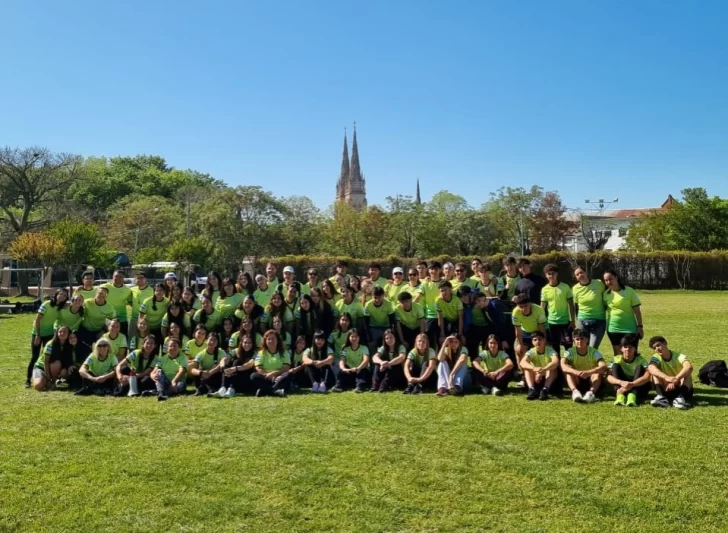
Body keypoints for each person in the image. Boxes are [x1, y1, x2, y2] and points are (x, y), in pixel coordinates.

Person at [26, 288, 68, 388]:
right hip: (38, 333)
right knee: (35, 357)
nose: (62, 297)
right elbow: (37, 320)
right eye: (60, 294)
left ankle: (47, 378)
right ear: (56, 294)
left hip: (49, 334)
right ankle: (28, 379)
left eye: (64, 296)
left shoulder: (60, 308)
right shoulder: (46, 304)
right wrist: (37, 335)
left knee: (47, 357)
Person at [603, 270, 644, 356]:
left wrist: (640, 326)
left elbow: (637, 310)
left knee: (631, 355)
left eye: (610, 279)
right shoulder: (605, 294)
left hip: (630, 329)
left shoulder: (629, 291)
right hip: (613, 329)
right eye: (606, 280)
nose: (608, 282)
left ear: (616, 277)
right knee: (618, 355)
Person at [561, 329, 607, 403]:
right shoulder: (569, 351)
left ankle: (591, 393)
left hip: (590, 379)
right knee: (569, 372)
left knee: (597, 374)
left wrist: (589, 372)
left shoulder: (594, 352)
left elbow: (603, 366)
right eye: (577, 339)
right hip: (577, 379)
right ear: (574, 340)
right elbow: (563, 365)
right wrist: (576, 372)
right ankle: (575, 392)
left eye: (582, 339)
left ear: (587, 340)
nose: (580, 341)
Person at [648, 336, 693, 409]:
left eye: (658, 345)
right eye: (654, 348)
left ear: (665, 343)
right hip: (666, 388)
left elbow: (689, 367)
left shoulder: (678, 356)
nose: (657, 349)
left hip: (680, 387)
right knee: (654, 373)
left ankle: (680, 399)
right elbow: (650, 368)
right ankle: (661, 398)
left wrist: (676, 379)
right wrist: (667, 378)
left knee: (687, 374)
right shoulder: (656, 357)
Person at [607, 334, 651, 407]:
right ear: (621, 349)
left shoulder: (641, 360)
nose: (628, 349)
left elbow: (647, 376)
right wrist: (621, 382)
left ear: (635, 349)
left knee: (639, 367)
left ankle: (632, 396)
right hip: (622, 385)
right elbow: (608, 376)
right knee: (615, 366)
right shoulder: (616, 359)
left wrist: (632, 384)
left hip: (637, 386)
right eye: (625, 347)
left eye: (630, 347)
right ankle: (620, 396)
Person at [540, 263, 575, 355]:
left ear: (557, 274)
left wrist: (573, 321)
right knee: (555, 347)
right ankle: (558, 368)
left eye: (553, 273)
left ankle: (568, 367)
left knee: (568, 347)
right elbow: (542, 307)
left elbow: (571, 305)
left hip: (565, 322)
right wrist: (540, 321)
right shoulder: (544, 289)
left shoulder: (565, 287)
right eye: (549, 274)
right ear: (546, 275)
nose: (551, 276)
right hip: (552, 323)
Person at [32, 325, 76, 391]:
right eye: (60, 332)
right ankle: (46, 380)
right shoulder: (50, 344)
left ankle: (54, 382)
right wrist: (48, 378)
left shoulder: (69, 345)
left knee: (59, 365)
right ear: (56, 333)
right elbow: (46, 362)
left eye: (65, 332)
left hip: (55, 366)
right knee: (39, 386)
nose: (62, 333)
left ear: (68, 334)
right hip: (42, 367)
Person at [77, 287, 116, 362]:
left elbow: (113, 320)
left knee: (102, 350)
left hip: (99, 331)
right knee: (85, 351)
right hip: (85, 330)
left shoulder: (109, 307)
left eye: (104, 294)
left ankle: (100, 365)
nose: (102, 295)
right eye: (100, 293)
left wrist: (104, 330)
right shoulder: (87, 302)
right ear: (96, 293)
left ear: (106, 296)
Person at [572, 266, 607, 348]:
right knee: (581, 347)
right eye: (577, 274)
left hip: (599, 321)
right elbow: (576, 306)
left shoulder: (599, 283)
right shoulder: (575, 289)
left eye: (581, 272)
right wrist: (578, 319)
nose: (580, 275)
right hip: (582, 321)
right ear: (576, 278)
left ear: (586, 273)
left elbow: (607, 296)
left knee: (592, 348)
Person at [250, 330, 291, 398]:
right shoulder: (261, 353)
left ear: (277, 340)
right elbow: (258, 368)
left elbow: (286, 367)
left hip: (279, 378)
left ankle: (265, 391)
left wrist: (275, 373)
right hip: (266, 378)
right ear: (265, 341)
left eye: (273, 339)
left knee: (288, 375)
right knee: (253, 376)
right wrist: (268, 376)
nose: (271, 341)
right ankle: (275, 391)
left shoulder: (284, 352)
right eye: (269, 339)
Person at [215, 333, 257, 397]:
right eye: (245, 342)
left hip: (246, 378)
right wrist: (224, 368)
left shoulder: (255, 353)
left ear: (252, 344)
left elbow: (249, 364)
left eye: (249, 343)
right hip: (235, 376)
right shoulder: (236, 351)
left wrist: (235, 369)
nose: (247, 344)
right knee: (227, 363)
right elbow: (224, 359)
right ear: (241, 343)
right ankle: (223, 388)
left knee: (236, 362)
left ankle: (232, 388)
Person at [521, 331, 559, 401]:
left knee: (552, 368)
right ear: (532, 342)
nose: (537, 341)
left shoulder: (550, 350)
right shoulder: (531, 351)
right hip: (535, 377)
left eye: (540, 339)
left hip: (548, 377)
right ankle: (531, 389)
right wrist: (534, 368)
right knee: (527, 368)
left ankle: (545, 390)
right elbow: (522, 362)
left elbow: (555, 362)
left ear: (544, 340)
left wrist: (544, 370)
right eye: (535, 340)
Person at [511, 294, 547, 364]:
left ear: (530, 304)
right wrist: (521, 345)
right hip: (524, 333)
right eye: (521, 307)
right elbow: (518, 331)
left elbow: (542, 328)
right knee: (519, 350)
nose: (524, 309)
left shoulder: (539, 310)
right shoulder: (515, 312)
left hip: (537, 332)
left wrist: (544, 341)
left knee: (543, 349)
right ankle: (522, 372)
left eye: (526, 306)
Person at [364, 286, 396, 352]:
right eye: (375, 297)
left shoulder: (388, 304)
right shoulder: (368, 305)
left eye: (380, 297)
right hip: (373, 327)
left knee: (387, 344)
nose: (377, 300)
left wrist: (390, 331)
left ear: (383, 296)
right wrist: (369, 337)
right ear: (372, 296)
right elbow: (366, 322)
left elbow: (392, 320)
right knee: (372, 345)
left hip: (386, 327)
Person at [101, 271, 132, 336]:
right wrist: (80, 287)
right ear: (112, 277)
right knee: (107, 341)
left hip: (122, 319)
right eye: (116, 276)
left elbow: (131, 302)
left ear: (124, 278)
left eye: (120, 277)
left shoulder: (127, 290)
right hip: (107, 319)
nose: (118, 278)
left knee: (123, 340)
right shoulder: (105, 287)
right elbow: (92, 289)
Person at [465, 291, 495, 359]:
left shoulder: (488, 307)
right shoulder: (470, 307)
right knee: (473, 348)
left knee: (486, 347)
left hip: (486, 328)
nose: (481, 302)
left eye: (483, 300)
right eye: (478, 300)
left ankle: (487, 364)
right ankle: (474, 365)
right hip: (474, 327)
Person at [421, 262, 443, 349]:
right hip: (429, 316)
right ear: (428, 270)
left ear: (440, 270)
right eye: (431, 269)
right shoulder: (424, 283)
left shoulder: (444, 283)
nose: (434, 271)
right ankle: (430, 361)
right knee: (429, 343)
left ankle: (442, 362)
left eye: (436, 269)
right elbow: (418, 297)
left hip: (442, 316)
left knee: (441, 342)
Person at [436, 281, 464, 346]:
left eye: (445, 290)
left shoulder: (457, 300)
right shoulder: (438, 300)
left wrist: (460, 334)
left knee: (461, 340)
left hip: (457, 320)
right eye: (441, 291)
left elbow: (460, 317)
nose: (443, 293)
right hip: (447, 320)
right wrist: (442, 333)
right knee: (442, 340)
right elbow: (440, 318)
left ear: (450, 289)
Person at [130, 272, 154, 340]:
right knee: (132, 339)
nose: (139, 279)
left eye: (141, 278)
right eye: (137, 278)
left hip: (146, 320)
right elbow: (129, 302)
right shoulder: (132, 290)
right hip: (134, 318)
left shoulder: (151, 290)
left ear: (146, 279)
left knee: (146, 339)